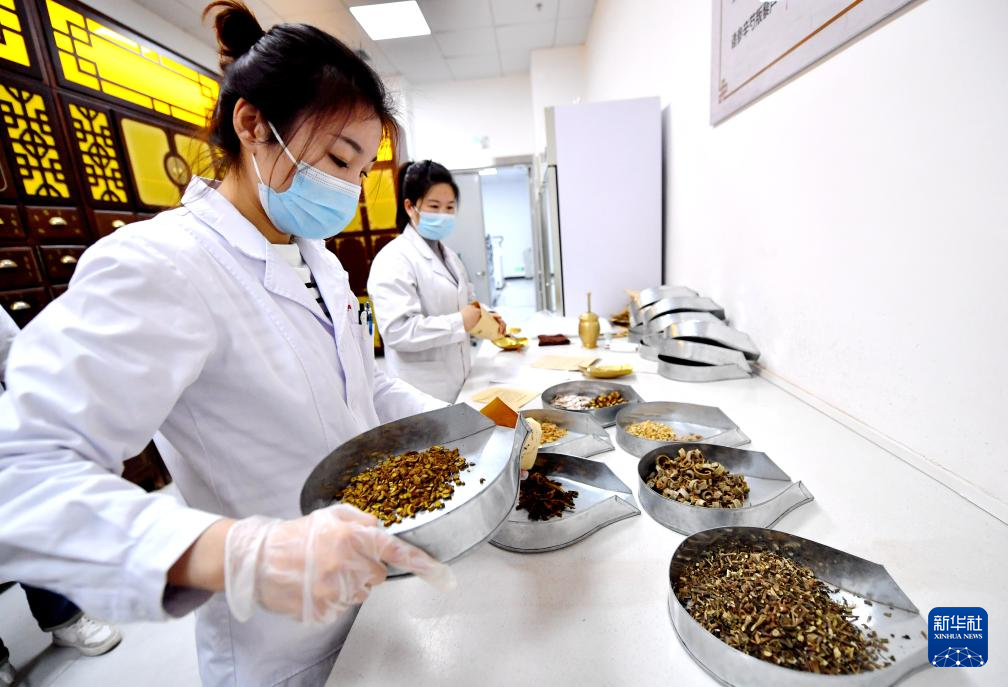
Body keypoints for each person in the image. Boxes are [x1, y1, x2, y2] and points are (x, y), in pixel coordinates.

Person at [0, 2, 453, 686]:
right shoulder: (161, 265)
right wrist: (241, 554)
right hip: (279, 639)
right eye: (339, 159)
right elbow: (21, 472)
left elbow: (366, 386)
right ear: (252, 125)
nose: (350, 191)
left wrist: (472, 425)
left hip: (370, 586)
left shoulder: (318, 261)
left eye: (361, 172)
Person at [367, 160, 506, 402]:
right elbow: (397, 331)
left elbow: (468, 302)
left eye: (450, 207)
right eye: (434, 206)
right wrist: (459, 322)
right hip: (420, 392)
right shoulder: (393, 259)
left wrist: (486, 317)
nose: (443, 214)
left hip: (460, 380)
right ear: (410, 207)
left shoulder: (449, 257)